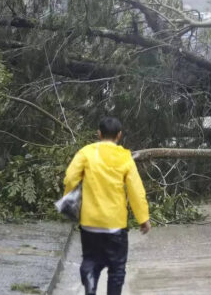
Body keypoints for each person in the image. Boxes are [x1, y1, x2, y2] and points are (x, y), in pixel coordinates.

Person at [63, 117, 150, 295]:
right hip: (115, 226)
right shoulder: (124, 157)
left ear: (99, 133)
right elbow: (136, 190)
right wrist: (143, 219)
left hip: (90, 224)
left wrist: (68, 201)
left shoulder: (86, 152)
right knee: (117, 269)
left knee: (90, 262)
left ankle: (89, 284)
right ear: (119, 135)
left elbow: (70, 178)